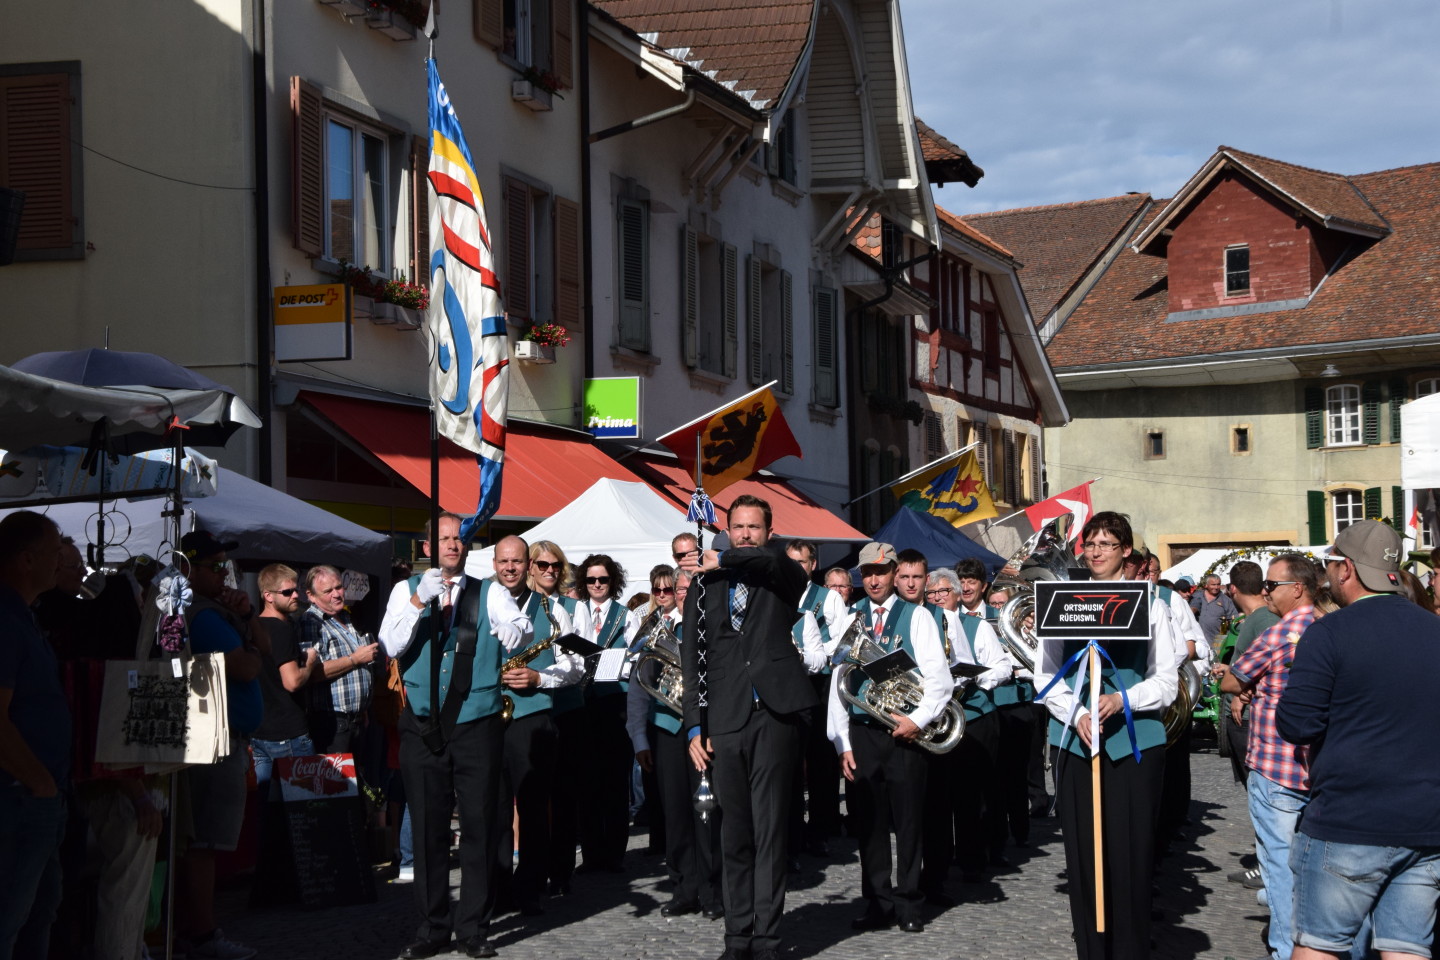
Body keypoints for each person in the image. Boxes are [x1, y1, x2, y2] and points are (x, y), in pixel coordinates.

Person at [1278, 521, 1440, 960]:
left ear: (1346, 569)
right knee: (1407, 950)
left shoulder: (1330, 632)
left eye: (1331, 565)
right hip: (1426, 824)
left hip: (1350, 818)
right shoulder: (1435, 628)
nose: (1329, 575)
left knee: (1319, 948)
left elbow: (1296, 724)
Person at [380, 520, 531, 959]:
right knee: (428, 826)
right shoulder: (405, 588)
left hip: (476, 724)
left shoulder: (488, 591)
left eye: (458, 538)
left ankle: (473, 929)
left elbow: (515, 623)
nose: (452, 545)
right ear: (428, 545)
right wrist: (416, 600)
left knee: (480, 827)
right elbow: (390, 643)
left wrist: (513, 631)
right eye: (444, 538)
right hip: (423, 724)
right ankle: (432, 926)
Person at [1034, 511, 1180, 960]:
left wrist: (1122, 701)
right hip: (1076, 742)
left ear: (1125, 553)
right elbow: (1045, 674)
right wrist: (1075, 711)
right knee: (1083, 857)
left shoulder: (1152, 602)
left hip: (1133, 742)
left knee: (1131, 856)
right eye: (1090, 545)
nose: (1095, 552)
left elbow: (1166, 680)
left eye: (1106, 545)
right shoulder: (1063, 598)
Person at [681, 494, 815, 960]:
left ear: (768, 532)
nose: (743, 534)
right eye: (736, 527)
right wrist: (694, 728)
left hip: (774, 714)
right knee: (734, 833)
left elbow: (781, 567)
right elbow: (692, 658)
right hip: (725, 717)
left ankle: (768, 939)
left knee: (771, 832)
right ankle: (737, 937)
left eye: (752, 527)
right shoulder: (705, 583)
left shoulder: (781, 572)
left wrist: (731, 555)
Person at [828, 542, 954, 933]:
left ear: (895, 574)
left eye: (881, 572)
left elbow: (940, 680)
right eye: (867, 574)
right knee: (869, 823)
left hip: (906, 736)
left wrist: (917, 720)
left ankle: (909, 903)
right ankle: (877, 903)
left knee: (910, 821)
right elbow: (839, 683)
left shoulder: (918, 617)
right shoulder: (850, 618)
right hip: (865, 735)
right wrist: (842, 743)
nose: (874, 580)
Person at [1212, 554, 1318, 960]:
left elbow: (1230, 680)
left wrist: (1246, 686)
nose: (1266, 591)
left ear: (1297, 588)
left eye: (1273, 585)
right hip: (1319, 766)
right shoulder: (1328, 627)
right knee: (1314, 865)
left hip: (1276, 766)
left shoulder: (1277, 634)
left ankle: (1284, 949)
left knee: (1278, 864)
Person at [176, 529, 264, 960]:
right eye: (214, 568)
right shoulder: (201, 615)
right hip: (212, 738)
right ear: (188, 569)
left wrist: (247, 619)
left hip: (225, 736)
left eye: (224, 567)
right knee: (204, 843)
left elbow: (257, 648)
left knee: (207, 842)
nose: (223, 576)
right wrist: (250, 644)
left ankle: (198, 929)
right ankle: (202, 933)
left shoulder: (219, 610)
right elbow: (248, 666)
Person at [627, 566, 723, 918]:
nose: (681, 594)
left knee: (708, 812)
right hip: (667, 731)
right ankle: (684, 888)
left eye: (686, 588)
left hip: (707, 733)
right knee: (675, 816)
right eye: (677, 589)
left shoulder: (713, 628)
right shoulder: (660, 630)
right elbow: (640, 687)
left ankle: (714, 891)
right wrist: (639, 737)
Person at [493, 541, 581, 917]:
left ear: (525, 565)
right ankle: (496, 890)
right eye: (504, 561)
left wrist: (538, 677)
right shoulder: (483, 601)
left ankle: (529, 887)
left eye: (517, 561)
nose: (511, 568)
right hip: (487, 718)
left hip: (533, 718)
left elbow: (576, 666)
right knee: (493, 810)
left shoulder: (555, 610)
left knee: (532, 810)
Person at [0, 512, 69, 960]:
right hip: (18, 797)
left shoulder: (22, 616)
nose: (61, 561)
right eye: (53, 552)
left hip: (36, 797)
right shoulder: (4, 619)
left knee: (38, 914)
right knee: (8, 919)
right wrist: (39, 783)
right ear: (27, 559)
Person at [528, 540, 591, 897]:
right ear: (531, 566)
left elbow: (578, 661)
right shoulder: (513, 604)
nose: (550, 571)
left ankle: (562, 871)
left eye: (556, 565)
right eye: (543, 564)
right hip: (530, 710)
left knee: (564, 794)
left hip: (566, 708)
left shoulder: (573, 607)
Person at [576, 552, 638, 874]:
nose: (597, 585)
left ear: (613, 582)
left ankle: (614, 854)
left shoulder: (626, 616)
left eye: (603, 579)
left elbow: (637, 659)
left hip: (615, 704)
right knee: (587, 782)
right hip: (582, 704)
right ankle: (590, 855)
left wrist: (616, 663)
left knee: (615, 782)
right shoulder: (575, 612)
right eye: (591, 580)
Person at [787, 538, 846, 856]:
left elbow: (839, 641)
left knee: (820, 756)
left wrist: (813, 653)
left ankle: (823, 825)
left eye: (803, 562)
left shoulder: (828, 599)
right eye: (792, 561)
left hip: (818, 681)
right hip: (787, 682)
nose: (798, 568)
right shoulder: (780, 591)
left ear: (812, 565)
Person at [251, 563, 321, 789]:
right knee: (303, 806)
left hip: (260, 731)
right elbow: (292, 682)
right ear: (268, 596)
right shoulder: (280, 629)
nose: (295, 595)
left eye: (296, 589)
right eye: (288, 592)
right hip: (287, 732)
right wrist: (310, 661)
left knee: (262, 805)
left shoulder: (255, 627)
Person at [300, 564, 380, 754]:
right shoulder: (311, 622)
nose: (336, 594)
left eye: (338, 587)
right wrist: (354, 659)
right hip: (332, 722)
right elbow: (311, 673)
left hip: (357, 719)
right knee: (337, 782)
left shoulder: (346, 617)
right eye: (328, 591)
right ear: (311, 595)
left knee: (357, 780)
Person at [1190, 574, 1237, 642]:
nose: (1216, 587)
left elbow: (1234, 619)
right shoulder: (1197, 596)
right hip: (1199, 641)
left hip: (1218, 641)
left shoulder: (1226, 600)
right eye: (1213, 584)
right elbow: (1191, 609)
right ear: (1206, 585)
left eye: (1218, 584)